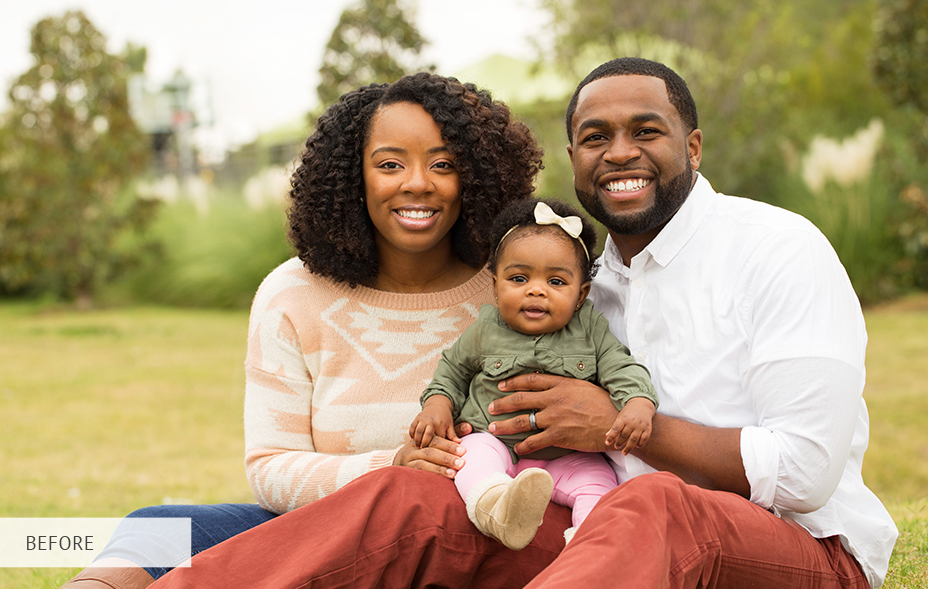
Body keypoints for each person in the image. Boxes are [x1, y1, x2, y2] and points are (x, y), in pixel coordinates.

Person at [148, 57, 898, 589]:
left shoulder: (777, 249)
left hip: (796, 554)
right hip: (601, 537)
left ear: (692, 146)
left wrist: (617, 427)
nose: (621, 152)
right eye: (596, 137)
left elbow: (804, 472)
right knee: (420, 499)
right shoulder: (580, 283)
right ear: (572, 158)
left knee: (654, 501)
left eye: (647, 130)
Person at [60, 71, 549, 589]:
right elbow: (270, 467)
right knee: (158, 531)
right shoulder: (292, 294)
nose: (417, 183)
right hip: (328, 529)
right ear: (353, 177)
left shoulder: (515, 290)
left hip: (466, 538)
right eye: (389, 164)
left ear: (474, 176)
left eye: (443, 164)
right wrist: (391, 468)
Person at [411, 196, 657, 550]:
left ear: (581, 294)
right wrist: (437, 405)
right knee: (469, 458)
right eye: (519, 278)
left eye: (556, 282)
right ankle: (498, 509)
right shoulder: (484, 329)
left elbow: (620, 365)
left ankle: (590, 546)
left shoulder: (589, 327)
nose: (536, 289)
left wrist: (637, 403)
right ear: (495, 285)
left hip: (567, 454)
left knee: (598, 484)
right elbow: (451, 371)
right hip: (494, 439)